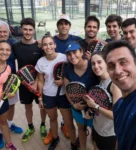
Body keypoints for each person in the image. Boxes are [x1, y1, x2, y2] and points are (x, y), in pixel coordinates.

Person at [103, 40, 136, 150]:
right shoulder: (118, 106)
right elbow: (120, 138)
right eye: (111, 66)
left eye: (123, 62)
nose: (118, 71)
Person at [43, 14, 82, 143]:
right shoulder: (52, 41)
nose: (63, 26)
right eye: (61, 23)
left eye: (66, 23)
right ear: (57, 26)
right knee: (52, 117)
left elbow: (86, 43)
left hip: (65, 88)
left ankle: (69, 134)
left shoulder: (75, 39)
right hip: (50, 90)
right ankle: (53, 134)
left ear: (69, 26)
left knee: (68, 118)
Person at [35, 35, 77, 150]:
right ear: (42, 47)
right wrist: (40, 98)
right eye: (45, 44)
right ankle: (55, 138)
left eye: (50, 44)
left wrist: (63, 81)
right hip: (48, 95)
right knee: (52, 119)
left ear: (54, 45)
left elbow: (72, 73)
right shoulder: (40, 62)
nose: (48, 47)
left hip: (63, 95)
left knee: (68, 122)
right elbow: (40, 80)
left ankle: (74, 143)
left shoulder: (64, 58)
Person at [12, 18, 47, 142]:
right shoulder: (16, 46)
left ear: (34, 31)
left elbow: (43, 66)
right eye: (25, 29)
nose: (27, 32)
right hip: (24, 85)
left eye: (30, 30)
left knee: (42, 106)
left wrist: (37, 82)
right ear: (21, 29)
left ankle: (43, 125)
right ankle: (30, 127)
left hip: (39, 83)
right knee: (28, 107)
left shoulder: (40, 47)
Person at [83, 51, 122, 150]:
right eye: (93, 63)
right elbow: (101, 104)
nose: (96, 66)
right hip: (97, 127)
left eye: (99, 62)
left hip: (109, 133)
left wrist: (95, 106)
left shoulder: (114, 85)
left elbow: (116, 115)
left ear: (107, 63)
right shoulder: (100, 81)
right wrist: (90, 110)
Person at [64, 41, 98, 150]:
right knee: (81, 129)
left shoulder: (92, 66)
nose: (72, 56)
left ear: (81, 51)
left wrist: (93, 107)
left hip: (94, 108)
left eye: (74, 52)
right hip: (77, 108)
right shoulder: (68, 69)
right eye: (69, 54)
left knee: (96, 133)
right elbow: (66, 90)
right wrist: (74, 105)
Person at [0, 20, 23, 148]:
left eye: (5, 31)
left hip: (11, 82)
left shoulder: (13, 44)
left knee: (11, 105)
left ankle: (10, 124)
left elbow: (25, 44)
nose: (2, 34)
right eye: (0, 32)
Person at [0, 40, 18, 150]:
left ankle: (9, 144)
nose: (4, 52)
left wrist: (11, 92)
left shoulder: (10, 66)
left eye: (7, 50)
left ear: (10, 52)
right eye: (1, 49)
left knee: (3, 122)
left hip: (3, 101)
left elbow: (11, 83)